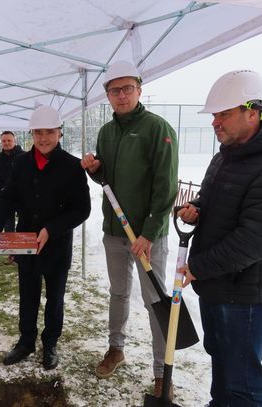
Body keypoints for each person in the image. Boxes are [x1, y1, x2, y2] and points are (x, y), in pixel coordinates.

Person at [177, 70, 262, 407]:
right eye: (214, 115)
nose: (215, 123)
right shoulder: (224, 156)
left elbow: (256, 239)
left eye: (224, 114)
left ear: (252, 112)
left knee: (243, 384)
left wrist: (197, 267)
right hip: (218, 286)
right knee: (222, 363)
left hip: (244, 295)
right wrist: (195, 208)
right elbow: (214, 202)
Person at [81, 60, 178, 397]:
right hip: (114, 232)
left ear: (139, 89)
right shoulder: (107, 132)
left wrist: (150, 233)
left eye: (127, 89)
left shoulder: (157, 128)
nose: (121, 96)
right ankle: (116, 348)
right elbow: (107, 181)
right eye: (114, 90)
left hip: (149, 237)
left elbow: (166, 187)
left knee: (154, 300)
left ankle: (160, 373)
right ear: (107, 95)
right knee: (118, 293)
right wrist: (95, 170)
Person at [0, 105, 90, 370]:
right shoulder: (21, 162)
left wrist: (51, 229)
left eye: (50, 132)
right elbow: (7, 196)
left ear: (59, 133)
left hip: (57, 244)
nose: (44, 138)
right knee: (27, 295)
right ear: (31, 133)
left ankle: (50, 343)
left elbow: (82, 209)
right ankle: (26, 341)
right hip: (26, 243)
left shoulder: (71, 165)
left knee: (54, 298)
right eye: (39, 132)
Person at [0, 131, 25, 233]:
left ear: (14, 141)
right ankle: (10, 248)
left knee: (25, 224)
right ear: (1, 142)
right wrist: (3, 189)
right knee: (8, 226)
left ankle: (23, 246)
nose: (6, 143)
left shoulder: (25, 157)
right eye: (4, 141)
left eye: (9, 140)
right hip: (6, 197)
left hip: (22, 197)